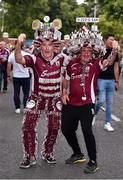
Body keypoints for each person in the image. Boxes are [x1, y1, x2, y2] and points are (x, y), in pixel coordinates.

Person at [15, 22, 69, 168]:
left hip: (54, 98)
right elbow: (19, 59)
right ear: (40, 45)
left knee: (54, 127)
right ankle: (28, 155)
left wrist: (64, 91)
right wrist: (18, 45)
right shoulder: (34, 58)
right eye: (44, 44)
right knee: (27, 126)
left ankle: (48, 152)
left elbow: (74, 69)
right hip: (37, 97)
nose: (46, 48)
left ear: (54, 46)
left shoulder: (62, 58)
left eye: (50, 44)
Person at [61, 36, 118, 173]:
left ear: (92, 53)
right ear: (79, 52)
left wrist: (114, 51)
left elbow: (108, 63)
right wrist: (64, 92)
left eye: (89, 51)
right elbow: (66, 79)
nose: (86, 53)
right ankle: (78, 153)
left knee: (87, 131)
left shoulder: (96, 63)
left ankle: (93, 161)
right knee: (66, 129)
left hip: (87, 104)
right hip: (70, 103)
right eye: (84, 50)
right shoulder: (71, 63)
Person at [94, 34, 119, 131]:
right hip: (101, 79)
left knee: (109, 103)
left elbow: (116, 66)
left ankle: (107, 123)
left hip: (111, 80)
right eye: (110, 39)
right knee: (101, 101)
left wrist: (116, 80)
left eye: (113, 39)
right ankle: (94, 114)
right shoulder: (101, 51)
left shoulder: (116, 52)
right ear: (105, 40)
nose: (112, 41)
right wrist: (114, 51)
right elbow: (108, 63)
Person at [7, 46, 31, 114]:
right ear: (23, 47)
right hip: (25, 76)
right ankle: (25, 107)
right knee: (26, 93)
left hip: (16, 76)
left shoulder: (12, 55)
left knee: (16, 92)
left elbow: (9, 66)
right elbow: (30, 65)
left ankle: (17, 108)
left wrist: (8, 75)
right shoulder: (27, 54)